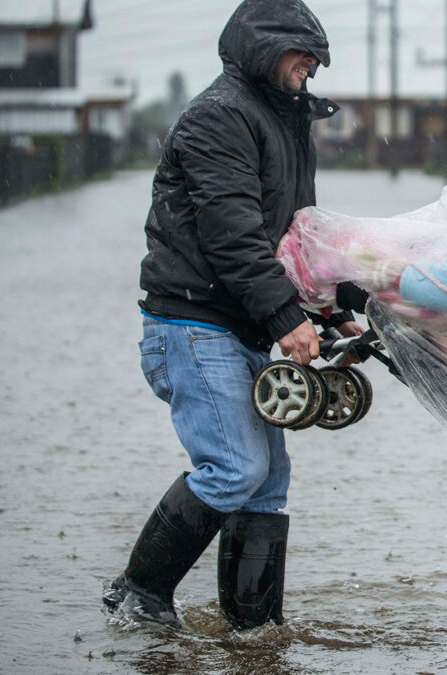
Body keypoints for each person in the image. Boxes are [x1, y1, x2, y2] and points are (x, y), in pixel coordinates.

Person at [102, 0, 366, 631]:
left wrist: (331, 312)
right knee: (234, 469)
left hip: (239, 322)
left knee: (267, 482)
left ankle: (253, 632)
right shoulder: (219, 119)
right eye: (302, 52)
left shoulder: (285, 123)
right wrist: (284, 319)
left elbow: (295, 242)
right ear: (261, 49)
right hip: (193, 324)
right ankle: (137, 595)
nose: (314, 65)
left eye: (319, 56)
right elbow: (233, 238)